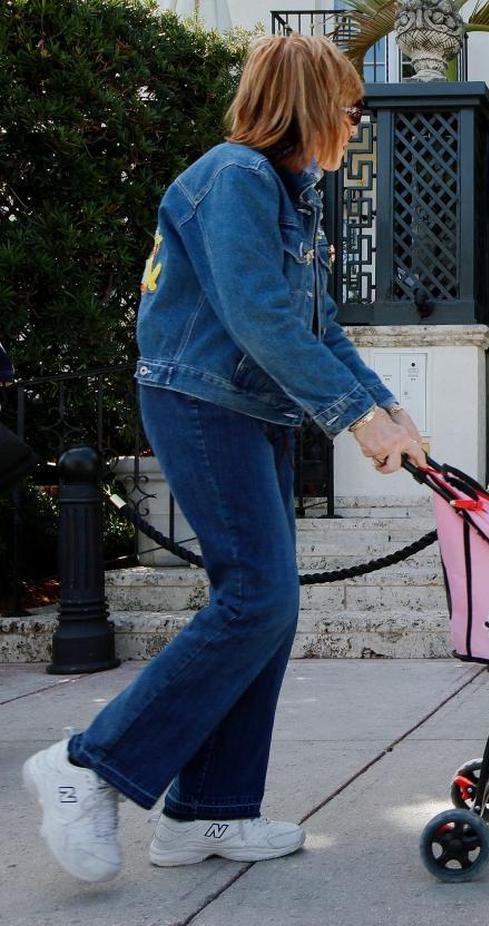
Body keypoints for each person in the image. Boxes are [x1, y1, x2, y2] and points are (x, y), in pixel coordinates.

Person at [21, 34, 427, 883]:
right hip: (205, 404)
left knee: (266, 609)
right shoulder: (234, 178)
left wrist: (389, 408)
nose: (357, 125)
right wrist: (357, 420)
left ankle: (209, 813)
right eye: (351, 108)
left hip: (251, 411)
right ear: (311, 104)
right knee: (257, 597)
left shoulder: (288, 196)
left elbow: (316, 330)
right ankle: (86, 766)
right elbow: (258, 320)